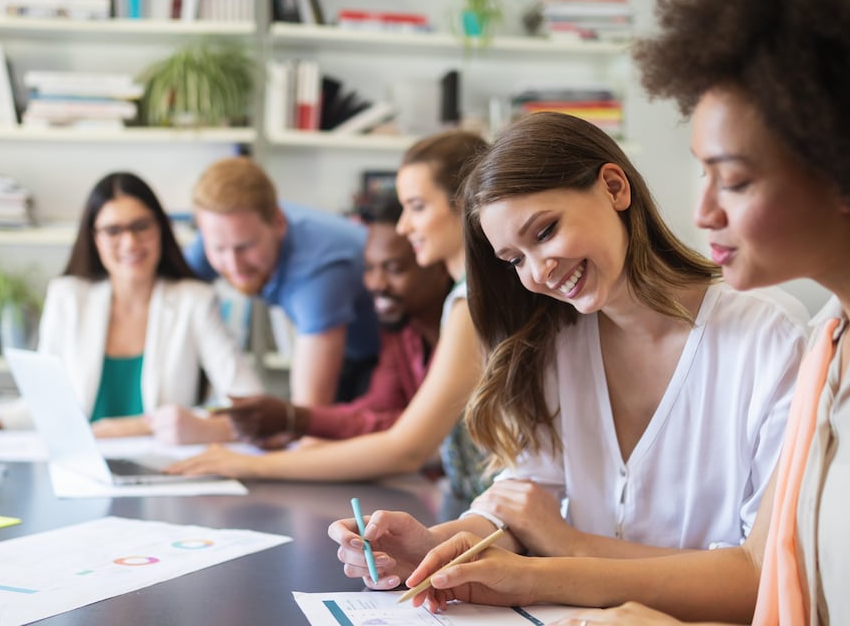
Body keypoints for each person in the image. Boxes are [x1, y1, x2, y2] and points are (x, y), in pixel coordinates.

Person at [389, 0, 850, 625]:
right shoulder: (835, 336)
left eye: (733, 180)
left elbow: (758, 576)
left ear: (849, 167)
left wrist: (554, 563)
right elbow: (789, 589)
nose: (703, 211)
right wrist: (478, 554)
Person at [329, 111, 808, 593]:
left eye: (544, 232)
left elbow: (760, 577)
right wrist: (434, 545)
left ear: (614, 188)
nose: (538, 273)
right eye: (514, 259)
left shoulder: (772, 337)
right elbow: (519, 511)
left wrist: (565, 547)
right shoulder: (552, 341)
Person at [169, 131, 496, 499]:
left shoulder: (469, 304)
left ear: (468, 203)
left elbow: (408, 448)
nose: (404, 227)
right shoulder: (450, 304)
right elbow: (382, 416)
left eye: (417, 207)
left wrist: (252, 464)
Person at [0, 172, 263, 444]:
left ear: (160, 230)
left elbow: (251, 404)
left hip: (160, 472)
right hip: (78, 470)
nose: (129, 242)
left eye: (141, 226)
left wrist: (144, 426)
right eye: (113, 230)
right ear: (93, 238)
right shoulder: (69, 298)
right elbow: (40, 408)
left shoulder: (193, 300)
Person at [217, 196, 453, 443]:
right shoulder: (402, 331)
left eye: (393, 269)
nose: (376, 283)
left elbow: (416, 430)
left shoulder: (465, 333)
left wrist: (294, 419)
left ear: (438, 266)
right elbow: (377, 409)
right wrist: (291, 419)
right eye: (370, 268)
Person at [185, 157, 380, 407]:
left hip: (386, 356)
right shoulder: (226, 229)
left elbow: (309, 412)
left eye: (245, 247)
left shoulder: (317, 274)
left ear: (279, 223)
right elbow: (166, 291)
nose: (233, 265)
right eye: (218, 249)